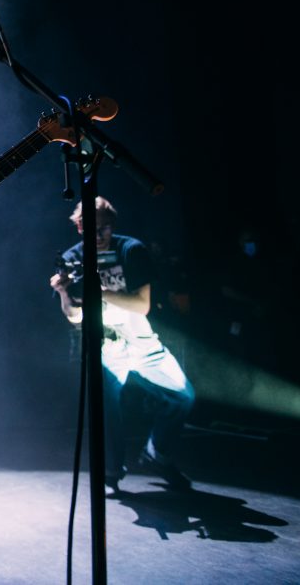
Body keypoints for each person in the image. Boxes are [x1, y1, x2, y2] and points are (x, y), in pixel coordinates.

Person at [49, 196, 194, 493]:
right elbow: (74, 317)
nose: (99, 235)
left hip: (140, 337)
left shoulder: (130, 250)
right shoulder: (73, 258)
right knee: (107, 407)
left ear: (112, 226)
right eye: (92, 229)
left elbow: (142, 305)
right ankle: (112, 471)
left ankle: (157, 453)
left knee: (182, 395)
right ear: (80, 227)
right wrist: (64, 293)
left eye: (104, 228)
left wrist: (102, 292)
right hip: (106, 344)